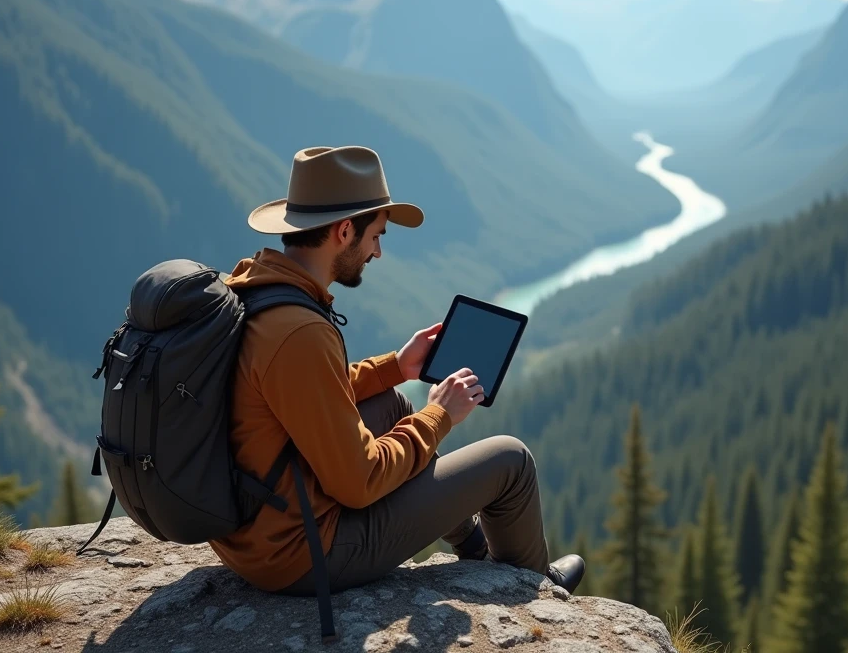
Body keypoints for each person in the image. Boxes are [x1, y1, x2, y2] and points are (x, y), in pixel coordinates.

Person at [207, 145, 585, 598]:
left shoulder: (257, 288)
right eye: (376, 236)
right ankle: (533, 586)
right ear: (345, 231)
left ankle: (474, 547)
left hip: (259, 524)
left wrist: (395, 367)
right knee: (511, 460)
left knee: (391, 403)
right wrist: (438, 415)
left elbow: (302, 395)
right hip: (301, 554)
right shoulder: (300, 331)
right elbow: (360, 482)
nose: (379, 252)